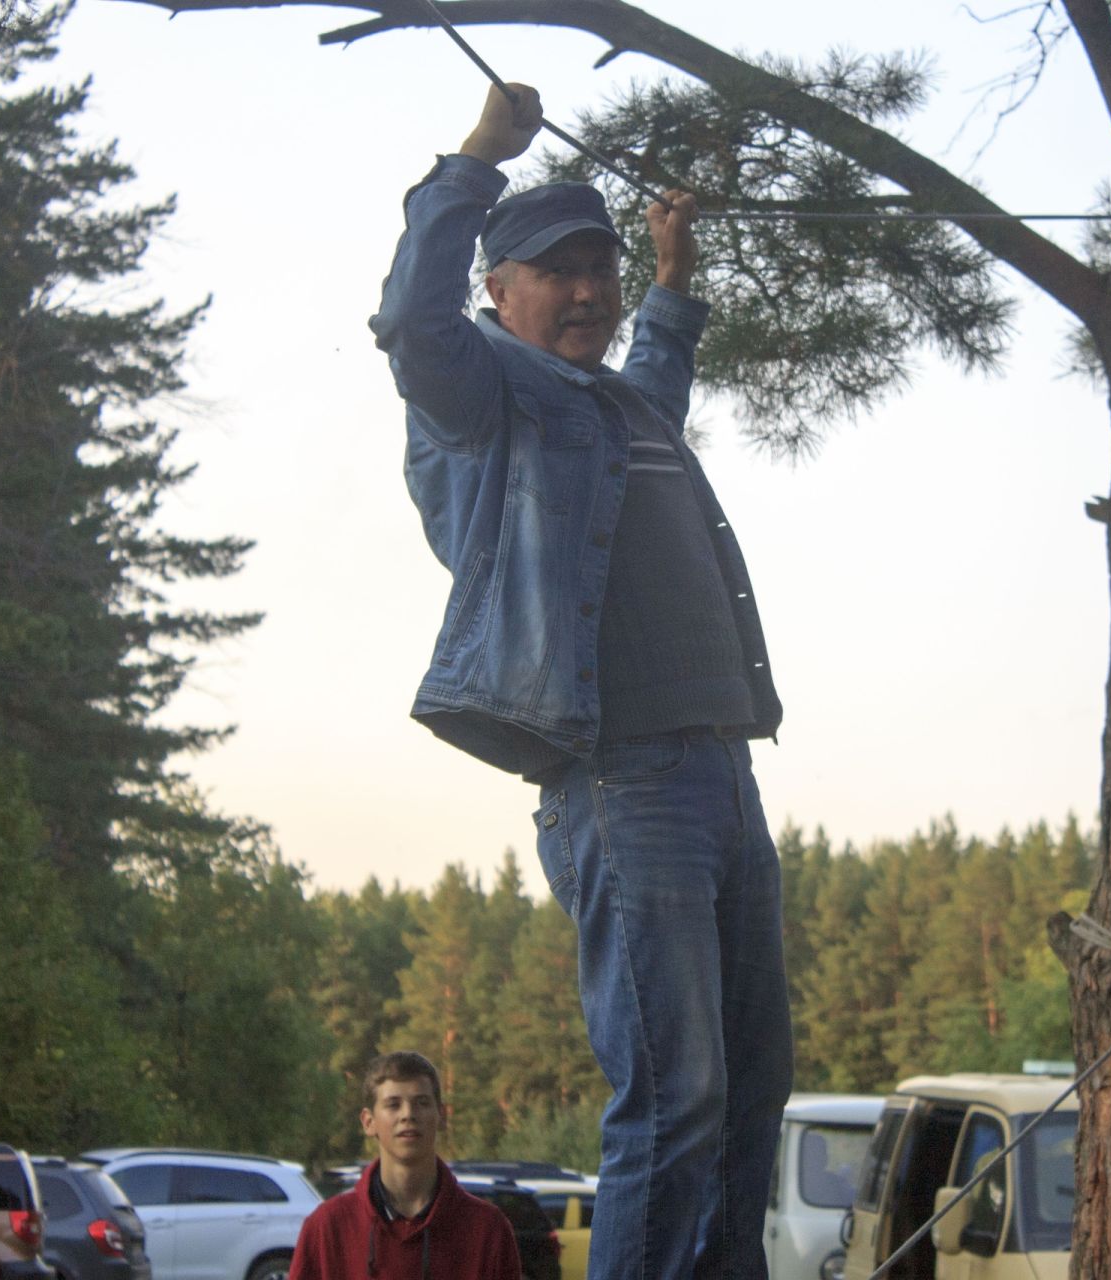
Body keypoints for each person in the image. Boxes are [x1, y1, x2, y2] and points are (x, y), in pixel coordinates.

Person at [368, 83, 794, 1280]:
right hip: (621, 774)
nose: (587, 290)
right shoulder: (482, 399)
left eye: (598, 271)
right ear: (497, 291)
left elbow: (657, 371)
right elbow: (410, 322)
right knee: (677, 1087)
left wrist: (673, 274)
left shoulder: (614, 404)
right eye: (557, 270)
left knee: (753, 1082)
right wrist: (473, 163)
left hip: (720, 766)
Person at [287, 1051, 520, 1280]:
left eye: (421, 1102)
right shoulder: (327, 1227)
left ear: (440, 1115)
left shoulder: (487, 1229)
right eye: (393, 1104)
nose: (408, 1114)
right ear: (369, 1122)